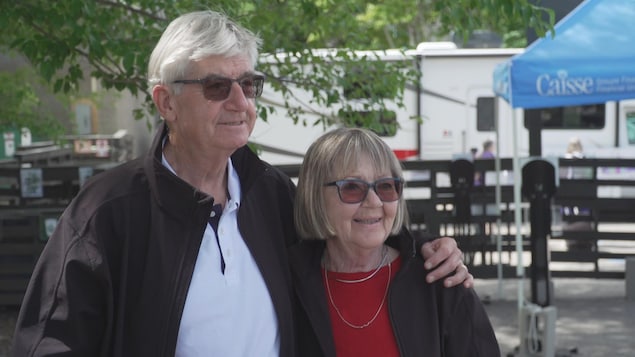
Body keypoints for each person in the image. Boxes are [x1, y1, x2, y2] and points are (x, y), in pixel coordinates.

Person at [11, 10, 472, 357]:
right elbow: (49, 343)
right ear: (166, 102)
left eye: (248, 85)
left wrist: (425, 250)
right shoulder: (107, 211)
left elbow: (348, 236)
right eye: (216, 86)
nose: (240, 102)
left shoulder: (269, 193)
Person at [290, 127, 500, 356]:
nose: (374, 201)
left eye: (386, 186)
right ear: (315, 196)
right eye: (352, 187)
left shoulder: (440, 279)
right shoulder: (289, 283)